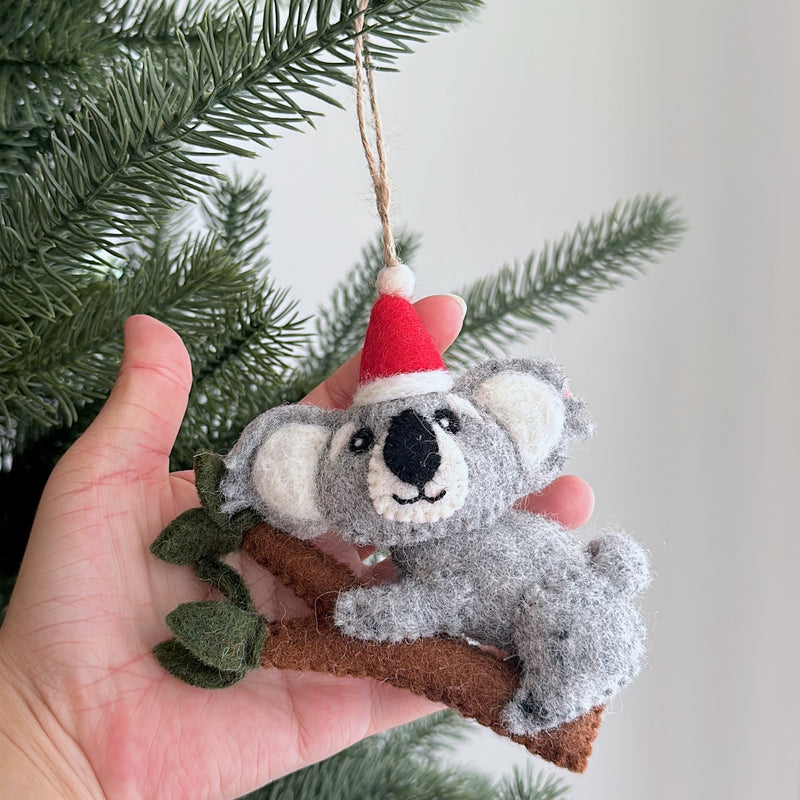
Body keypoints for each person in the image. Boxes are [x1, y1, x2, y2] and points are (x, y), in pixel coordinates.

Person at [0, 298, 594, 799]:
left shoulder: (477, 545)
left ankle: (558, 691)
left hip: (560, 614)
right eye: (361, 442)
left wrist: (54, 743)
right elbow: (437, 598)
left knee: (564, 627)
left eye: (449, 422)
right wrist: (52, 737)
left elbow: (439, 600)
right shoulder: (387, 530)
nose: (411, 454)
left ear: (511, 415)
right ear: (307, 467)